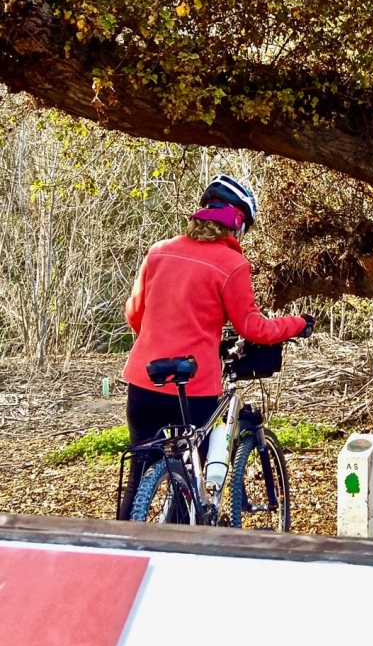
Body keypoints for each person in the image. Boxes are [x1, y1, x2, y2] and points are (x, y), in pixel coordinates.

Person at [118, 174, 314, 519]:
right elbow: (251, 327)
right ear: (237, 226)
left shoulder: (159, 252)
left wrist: (158, 339)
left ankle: (122, 559)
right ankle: (185, 542)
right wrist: (296, 324)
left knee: (138, 479)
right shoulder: (232, 265)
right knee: (195, 477)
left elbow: (134, 314)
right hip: (194, 389)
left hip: (144, 380)